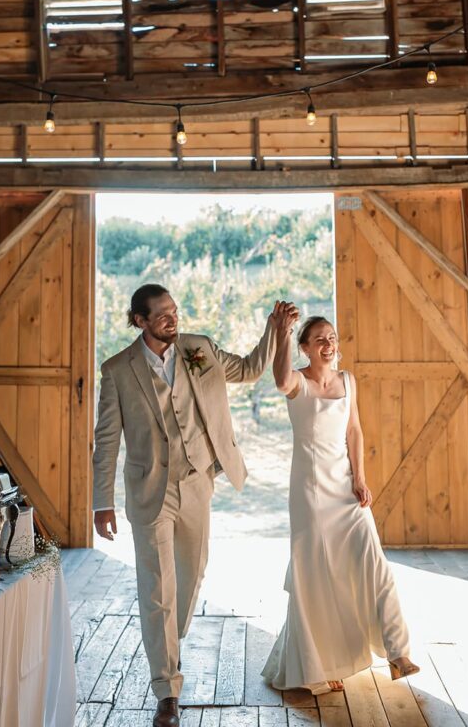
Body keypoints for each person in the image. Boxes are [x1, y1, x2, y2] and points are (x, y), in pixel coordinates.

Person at [92, 282, 295, 727]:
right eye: (161, 314)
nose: (172, 318)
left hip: (197, 482)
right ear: (139, 320)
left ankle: (168, 640)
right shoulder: (117, 370)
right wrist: (100, 501)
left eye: (174, 311)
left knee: (192, 572)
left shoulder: (197, 349)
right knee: (156, 589)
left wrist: (275, 330)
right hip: (150, 493)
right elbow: (106, 439)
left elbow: (247, 370)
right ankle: (167, 689)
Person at [262, 312, 419, 695]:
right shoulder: (298, 380)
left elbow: (354, 430)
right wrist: (281, 332)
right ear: (304, 348)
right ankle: (319, 662)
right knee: (317, 577)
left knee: (375, 564)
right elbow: (281, 380)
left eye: (331, 338)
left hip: (346, 490)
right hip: (311, 493)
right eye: (319, 340)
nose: (328, 345)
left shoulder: (347, 381)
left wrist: (360, 479)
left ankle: (398, 652)